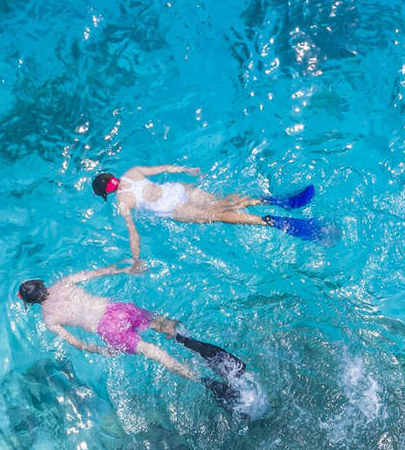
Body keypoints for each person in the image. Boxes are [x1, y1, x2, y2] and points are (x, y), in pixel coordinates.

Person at [17, 262, 250, 407]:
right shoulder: (64, 283)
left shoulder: (49, 319)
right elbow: (101, 272)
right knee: (163, 326)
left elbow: (76, 342)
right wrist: (129, 267)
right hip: (117, 310)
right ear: (42, 285)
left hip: (108, 331)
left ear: (31, 303)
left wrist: (100, 349)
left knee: (156, 354)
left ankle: (205, 382)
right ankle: (191, 344)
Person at [91, 164, 326, 263]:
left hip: (176, 209)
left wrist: (135, 259)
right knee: (225, 201)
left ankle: (267, 221)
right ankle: (275, 201)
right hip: (180, 190)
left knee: (221, 214)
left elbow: (133, 233)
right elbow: (165, 168)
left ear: (106, 193)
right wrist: (187, 170)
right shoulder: (131, 172)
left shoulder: (123, 201)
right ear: (113, 177)